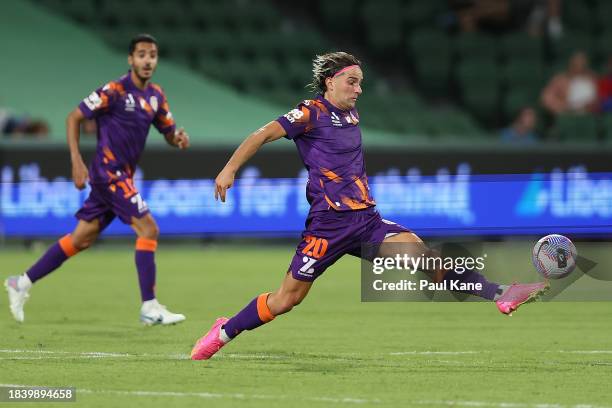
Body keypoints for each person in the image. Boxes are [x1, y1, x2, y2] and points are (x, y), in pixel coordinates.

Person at [190, 52, 548, 360]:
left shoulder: (351, 114)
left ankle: (500, 293)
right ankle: (224, 331)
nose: (358, 89)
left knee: (426, 261)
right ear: (330, 81)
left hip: (366, 222)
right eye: (352, 81)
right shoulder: (309, 113)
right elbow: (262, 134)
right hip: (327, 227)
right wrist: (230, 168)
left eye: (360, 83)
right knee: (285, 301)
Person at [4, 34, 190, 325]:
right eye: (141, 54)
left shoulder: (156, 95)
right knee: (149, 229)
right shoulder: (114, 90)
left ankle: (21, 283)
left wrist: (176, 138)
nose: (147, 60)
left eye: (152, 55)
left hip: (120, 176)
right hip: (108, 173)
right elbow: (73, 117)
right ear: (130, 59)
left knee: (80, 238)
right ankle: (149, 306)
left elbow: (168, 131)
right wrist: (77, 161)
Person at [541, 51, 598, 115]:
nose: (579, 66)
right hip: (568, 116)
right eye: (576, 64)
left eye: (582, 64)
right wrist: (564, 108)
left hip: (589, 116)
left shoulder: (592, 78)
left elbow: (599, 99)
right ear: (570, 64)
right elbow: (546, 99)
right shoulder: (560, 80)